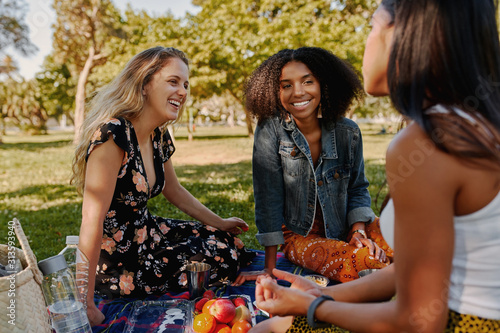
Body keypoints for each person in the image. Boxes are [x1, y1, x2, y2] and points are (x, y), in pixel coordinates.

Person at [251, 0, 500, 332]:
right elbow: (407, 272)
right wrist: (324, 296)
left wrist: (314, 307)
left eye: (371, 25)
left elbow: (418, 322)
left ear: (402, 34)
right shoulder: (475, 123)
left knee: (270, 328)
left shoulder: (426, 143)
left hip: (468, 324)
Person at [71, 46, 255, 326]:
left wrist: (221, 222)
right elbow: (91, 220)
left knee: (226, 242)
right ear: (145, 84)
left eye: (185, 84)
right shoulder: (113, 135)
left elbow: (174, 190)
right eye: (173, 81)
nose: (182, 91)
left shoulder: (158, 135)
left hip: (149, 234)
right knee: (221, 257)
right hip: (121, 262)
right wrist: (83, 302)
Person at [234, 46, 392, 287]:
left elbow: (357, 188)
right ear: (274, 92)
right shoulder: (270, 131)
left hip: (348, 225)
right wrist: (269, 268)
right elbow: (268, 200)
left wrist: (359, 233)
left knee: (411, 239)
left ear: (323, 85)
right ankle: (387, 276)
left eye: (307, 82)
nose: (298, 92)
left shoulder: (348, 132)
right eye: (286, 85)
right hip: (300, 236)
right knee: (363, 263)